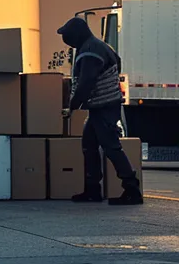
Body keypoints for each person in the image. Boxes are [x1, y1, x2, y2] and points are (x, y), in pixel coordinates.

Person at [58, 17, 143, 206]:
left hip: (104, 107)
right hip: (100, 107)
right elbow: (116, 62)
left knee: (111, 147)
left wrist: (71, 106)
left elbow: (86, 82)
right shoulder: (99, 46)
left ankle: (132, 190)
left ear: (77, 35)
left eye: (67, 36)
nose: (65, 40)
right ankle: (92, 189)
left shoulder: (90, 51)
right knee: (89, 145)